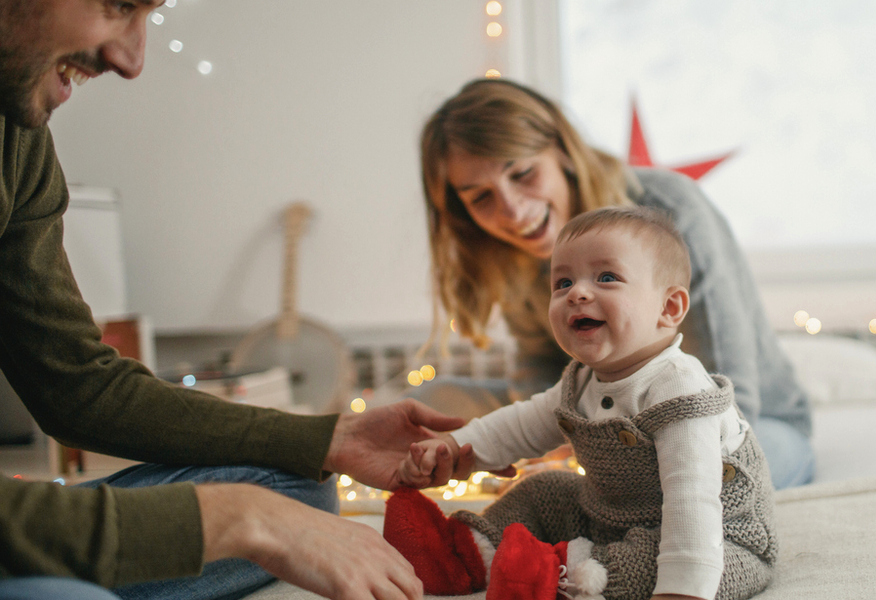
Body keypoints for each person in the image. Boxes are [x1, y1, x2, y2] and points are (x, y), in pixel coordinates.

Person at [0, 2, 464, 598]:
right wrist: (237, 519)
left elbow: (78, 388)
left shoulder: (19, 137)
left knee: (300, 489)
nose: (132, 58)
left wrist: (331, 440)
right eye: (118, 4)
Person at [413, 78, 813, 490]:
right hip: (600, 416)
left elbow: (727, 393)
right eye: (480, 198)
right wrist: (563, 442)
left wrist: (599, 455)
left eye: (523, 173)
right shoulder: (510, 254)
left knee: (702, 476)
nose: (512, 211)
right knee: (432, 403)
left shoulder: (668, 209)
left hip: (744, 422)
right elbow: (541, 370)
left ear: (563, 152)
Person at [384, 206, 776, 600]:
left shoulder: (680, 389)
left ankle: (564, 575)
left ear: (668, 308)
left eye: (607, 277)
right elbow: (520, 425)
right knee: (543, 490)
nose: (578, 292)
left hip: (721, 535)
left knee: (647, 567)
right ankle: (467, 555)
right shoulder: (581, 379)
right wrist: (456, 448)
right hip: (612, 516)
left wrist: (682, 591)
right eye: (563, 282)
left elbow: (692, 498)